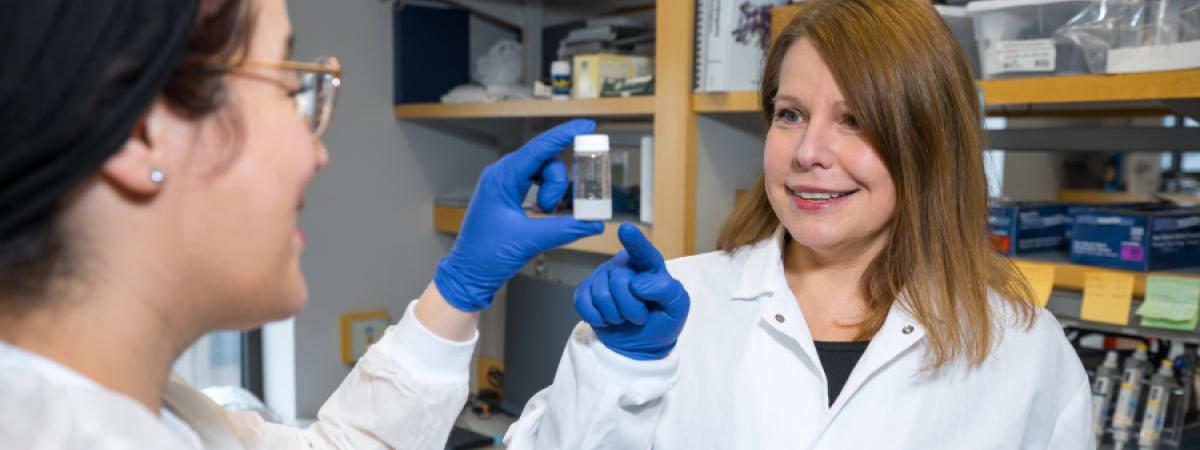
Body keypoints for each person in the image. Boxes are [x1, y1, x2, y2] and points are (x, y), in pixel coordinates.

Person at [0, 0, 602, 448]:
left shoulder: (148, 411)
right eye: (289, 90)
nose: (317, 153)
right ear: (144, 133)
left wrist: (461, 286)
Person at [505, 0, 1093, 448]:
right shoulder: (667, 310)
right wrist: (616, 368)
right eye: (790, 115)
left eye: (854, 120)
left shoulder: (1023, 349)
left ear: (929, 142)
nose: (809, 152)